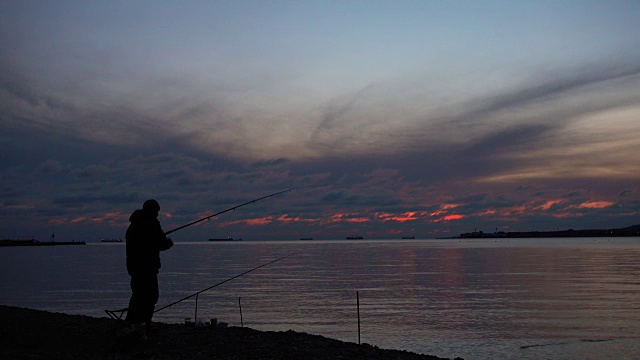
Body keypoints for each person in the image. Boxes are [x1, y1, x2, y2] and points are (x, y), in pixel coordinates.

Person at [123, 199, 173, 340]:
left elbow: (150, 242)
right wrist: (168, 242)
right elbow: (161, 244)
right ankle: (143, 327)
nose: (157, 215)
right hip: (147, 267)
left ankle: (132, 324)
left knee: (138, 296)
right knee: (150, 297)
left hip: (134, 267)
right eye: (156, 212)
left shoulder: (133, 226)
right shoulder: (151, 223)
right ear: (152, 211)